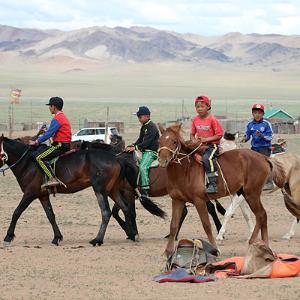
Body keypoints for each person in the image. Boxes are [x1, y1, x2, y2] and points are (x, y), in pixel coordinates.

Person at [29, 97, 72, 188]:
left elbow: (49, 134)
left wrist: (36, 141)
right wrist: (45, 133)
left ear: (54, 107)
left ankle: (52, 178)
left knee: (39, 157)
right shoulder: (62, 117)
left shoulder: (57, 118)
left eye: (50, 106)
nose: (49, 108)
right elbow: (52, 133)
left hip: (59, 145)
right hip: (62, 144)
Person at [190, 96, 223, 193]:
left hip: (212, 145)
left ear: (208, 107)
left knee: (206, 159)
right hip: (199, 146)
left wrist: (206, 139)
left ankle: (213, 184)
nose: (199, 109)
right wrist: (193, 140)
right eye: (197, 106)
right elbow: (192, 134)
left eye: (202, 106)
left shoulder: (212, 120)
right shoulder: (195, 120)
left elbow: (219, 135)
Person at [126, 106, 159, 196]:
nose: (139, 119)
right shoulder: (144, 126)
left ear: (147, 116)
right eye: (138, 117)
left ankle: (145, 189)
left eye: (140, 117)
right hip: (143, 150)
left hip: (150, 152)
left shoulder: (152, 126)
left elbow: (147, 142)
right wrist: (133, 145)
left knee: (143, 167)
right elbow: (140, 140)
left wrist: (136, 147)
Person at [243, 103, 274, 190]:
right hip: (254, 148)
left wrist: (261, 135)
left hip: (264, 148)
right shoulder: (250, 124)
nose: (257, 115)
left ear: (263, 114)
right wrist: (244, 138)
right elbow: (247, 136)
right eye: (255, 112)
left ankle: (269, 183)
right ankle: (256, 183)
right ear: (252, 113)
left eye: (260, 113)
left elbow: (270, 137)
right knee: (253, 166)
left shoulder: (266, 124)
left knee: (266, 166)